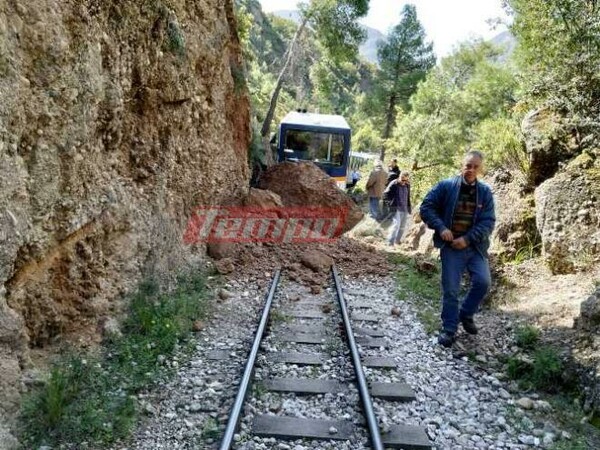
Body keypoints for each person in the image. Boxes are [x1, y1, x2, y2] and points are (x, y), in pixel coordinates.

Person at [420, 150, 496, 347]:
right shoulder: (446, 186)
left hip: (475, 247)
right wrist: (441, 227)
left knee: (483, 282)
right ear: (462, 165)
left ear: (481, 168)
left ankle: (466, 313)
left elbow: (488, 221)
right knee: (451, 289)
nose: (471, 170)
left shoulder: (485, 192)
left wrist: (468, 238)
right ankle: (449, 329)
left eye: (475, 166)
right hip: (451, 247)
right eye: (468, 165)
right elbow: (426, 207)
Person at [384, 171, 412, 245]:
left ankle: (397, 241)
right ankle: (390, 242)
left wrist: (409, 208)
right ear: (399, 177)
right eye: (403, 180)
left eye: (406, 180)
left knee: (402, 226)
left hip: (405, 208)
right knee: (396, 225)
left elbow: (408, 197)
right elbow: (385, 194)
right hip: (396, 208)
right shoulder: (394, 183)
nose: (404, 182)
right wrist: (390, 205)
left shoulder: (407, 185)